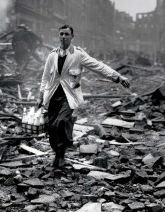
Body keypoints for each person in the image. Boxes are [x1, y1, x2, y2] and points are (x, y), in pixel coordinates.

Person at [36, 25, 130, 168]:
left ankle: (61, 155)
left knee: (60, 122)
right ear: (58, 36)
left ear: (72, 37)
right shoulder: (52, 55)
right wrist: (40, 95)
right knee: (52, 128)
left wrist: (118, 77)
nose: (63, 37)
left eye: (67, 34)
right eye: (61, 34)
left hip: (69, 96)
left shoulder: (78, 54)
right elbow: (45, 78)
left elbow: (98, 66)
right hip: (52, 95)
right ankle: (58, 151)